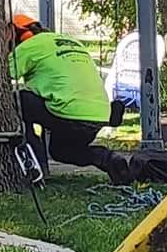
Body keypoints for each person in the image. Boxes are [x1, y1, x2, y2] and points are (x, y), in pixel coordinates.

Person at [7, 11, 120, 180]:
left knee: (17, 100)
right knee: (61, 152)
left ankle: (36, 165)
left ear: (14, 33)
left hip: (67, 112)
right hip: (99, 115)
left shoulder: (28, 46)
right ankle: (106, 159)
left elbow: (3, 73)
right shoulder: (71, 42)